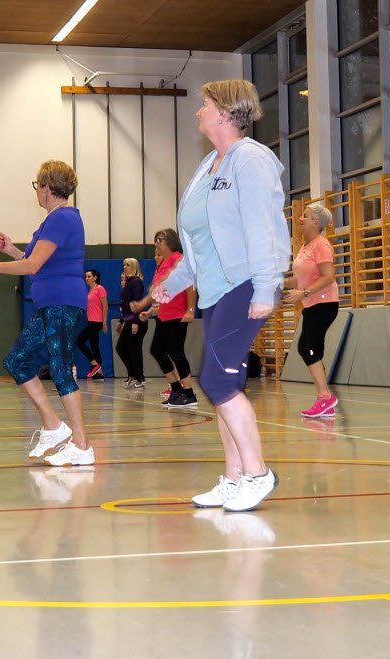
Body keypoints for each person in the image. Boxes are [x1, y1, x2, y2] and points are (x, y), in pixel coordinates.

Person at [151, 79, 290, 513]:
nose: (198, 112)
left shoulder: (250, 161)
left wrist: (266, 287)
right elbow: (199, 243)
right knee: (222, 384)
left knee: (216, 381)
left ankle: (257, 473)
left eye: (204, 104)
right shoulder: (209, 164)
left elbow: (262, 229)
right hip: (214, 291)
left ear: (227, 112)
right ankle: (233, 478)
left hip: (245, 283)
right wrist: (170, 285)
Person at [0, 160, 93, 466]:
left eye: (37, 185)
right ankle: (53, 426)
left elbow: (33, 266)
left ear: (47, 187)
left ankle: (81, 445)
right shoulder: (53, 220)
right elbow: (36, 260)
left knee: (62, 370)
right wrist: (12, 251)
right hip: (51, 306)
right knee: (17, 360)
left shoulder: (62, 218)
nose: (36, 192)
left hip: (63, 305)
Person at [129, 229, 199, 408]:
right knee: (157, 350)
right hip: (164, 315)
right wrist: (150, 309)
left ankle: (189, 394)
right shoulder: (162, 264)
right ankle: (176, 390)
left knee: (176, 351)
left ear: (170, 241)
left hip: (177, 313)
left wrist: (191, 310)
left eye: (159, 240)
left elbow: (189, 284)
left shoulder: (178, 258)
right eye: (155, 241)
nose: (156, 244)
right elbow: (159, 291)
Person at [282, 204, 339, 418]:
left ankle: (325, 396)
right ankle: (326, 401)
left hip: (324, 303)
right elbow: (299, 279)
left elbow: (328, 276)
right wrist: (279, 283)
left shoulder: (321, 245)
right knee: (311, 349)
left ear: (316, 222)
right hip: (311, 304)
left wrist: (303, 293)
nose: (300, 219)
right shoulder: (305, 247)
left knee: (307, 348)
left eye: (304, 216)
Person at [115, 258, 147, 388]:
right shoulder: (128, 283)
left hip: (137, 321)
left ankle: (139, 378)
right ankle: (133, 374)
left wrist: (136, 321)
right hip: (128, 321)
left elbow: (138, 303)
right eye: (124, 265)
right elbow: (126, 305)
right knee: (121, 348)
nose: (125, 267)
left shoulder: (136, 282)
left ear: (134, 267)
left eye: (127, 265)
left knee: (134, 350)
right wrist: (121, 321)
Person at [75, 269, 108, 380]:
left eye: (89, 276)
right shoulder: (90, 291)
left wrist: (104, 322)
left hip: (96, 322)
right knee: (95, 347)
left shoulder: (100, 289)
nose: (87, 278)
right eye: (86, 277)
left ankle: (95, 364)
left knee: (79, 341)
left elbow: (105, 306)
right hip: (91, 321)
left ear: (95, 277)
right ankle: (99, 373)